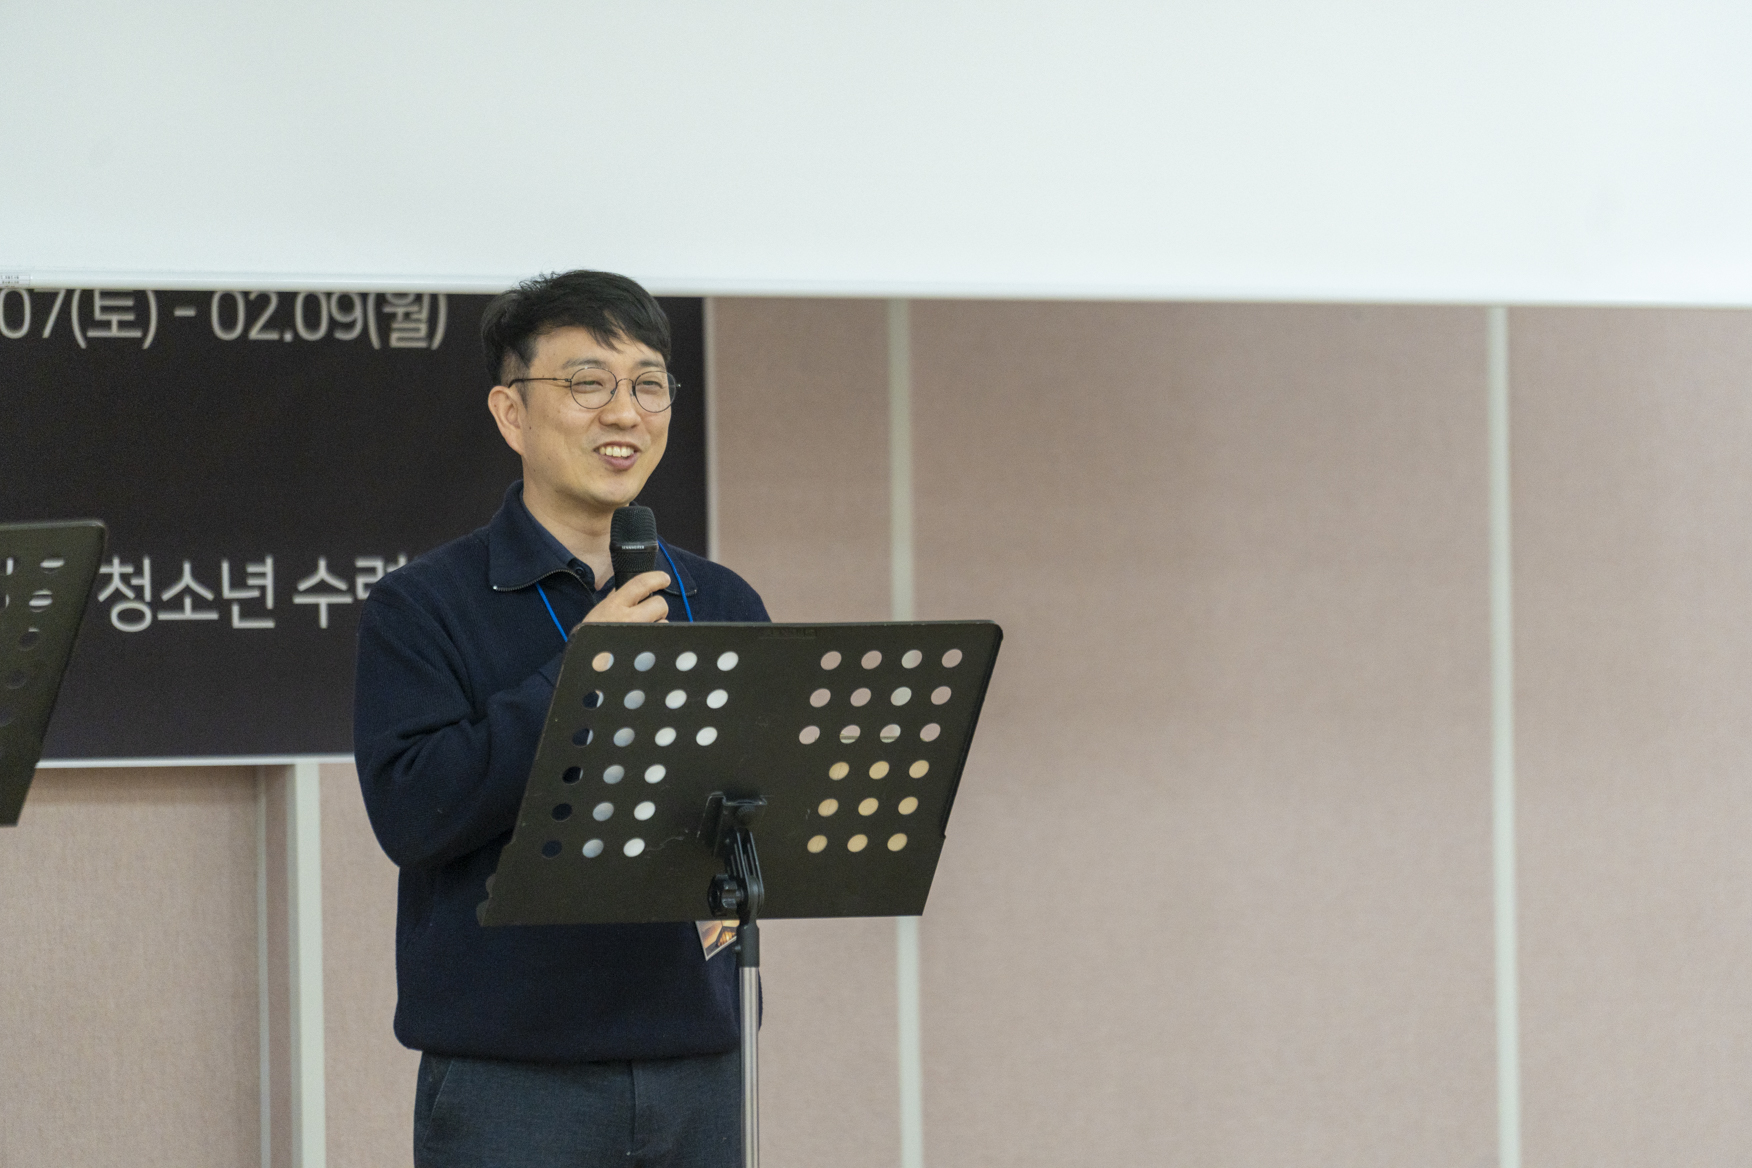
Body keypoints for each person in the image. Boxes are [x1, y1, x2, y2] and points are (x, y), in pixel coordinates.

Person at [353, 270, 768, 1167]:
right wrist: (580, 679)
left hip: (697, 1062)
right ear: (512, 413)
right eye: (588, 383)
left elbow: (759, 810)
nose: (625, 413)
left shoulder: (720, 599)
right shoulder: (423, 606)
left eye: (648, 384)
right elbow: (413, 815)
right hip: (512, 1081)